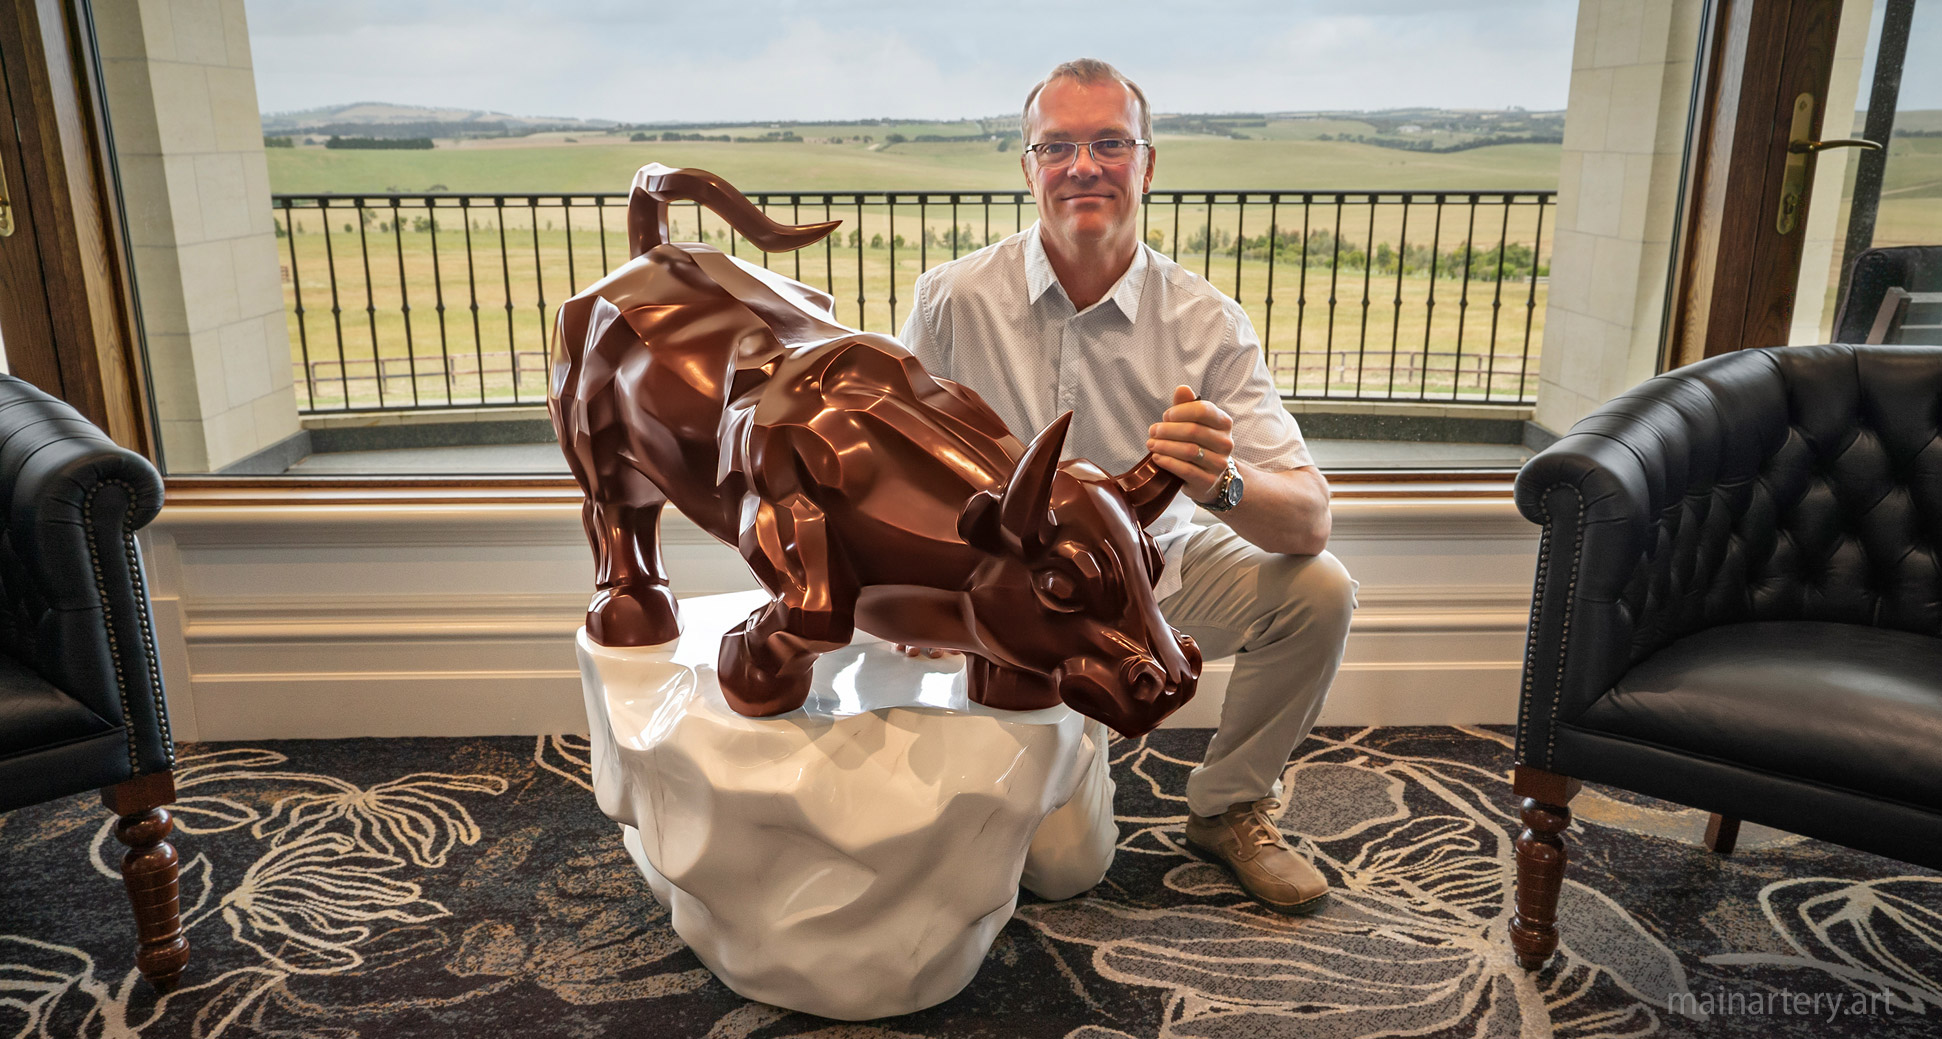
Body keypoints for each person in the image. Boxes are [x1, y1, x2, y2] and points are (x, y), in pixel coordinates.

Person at [894, 58, 1357, 915]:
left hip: (1154, 579)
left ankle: (1230, 806)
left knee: (1319, 590)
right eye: (1057, 146)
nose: (1083, 166)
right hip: (1014, 609)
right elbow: (895, 470)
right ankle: (1068, 755)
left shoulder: (1207, 322)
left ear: (1148, 164)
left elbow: (1308, 518)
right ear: (1028, 166)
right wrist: (930, 596)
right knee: (1067, 873)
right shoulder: (952, 300)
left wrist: (1220, 482)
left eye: (1110, 142)